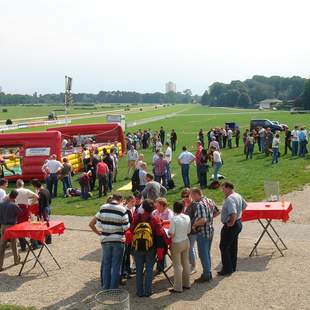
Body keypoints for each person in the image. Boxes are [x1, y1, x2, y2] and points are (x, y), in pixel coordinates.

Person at [89, 193, 129, 289]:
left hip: (105, 239)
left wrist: (99, 233)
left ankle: (105, 287)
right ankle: (113, 288)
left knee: (106, 264)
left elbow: (97, 223)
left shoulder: (103, 207)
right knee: (116, 265)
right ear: (121, 199)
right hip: (118, 240)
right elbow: (126, 227)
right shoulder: (122, 209)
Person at [130, 199, 164, 297]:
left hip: (137, 247)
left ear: (143, 208)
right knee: (149, 270)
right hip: (150, 248)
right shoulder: (155, 219)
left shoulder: (137, 217)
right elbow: (160, 233)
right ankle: (148, 291)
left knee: (139, 270)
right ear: (153, 208)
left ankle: (139, 291)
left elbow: (131, 230)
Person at [191, 188, 220, 283]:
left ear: (196, 194)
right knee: (207, 252)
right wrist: (210, 219)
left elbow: (202, 220)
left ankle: (206, 274)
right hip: (210, 230)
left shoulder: (199, 204)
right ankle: (208, 272)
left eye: (192, 195)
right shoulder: (209, 200)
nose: (191, 197)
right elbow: (217, 212)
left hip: (202, 232)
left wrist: (194, 225)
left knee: (203, 254)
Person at [219, 182, 247, 276]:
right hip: (238, 223)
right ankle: (232, 266)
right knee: (233, 245)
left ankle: (227, 269)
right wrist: (238, 216)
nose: (222, 191)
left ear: (228, 188)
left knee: (224, 246)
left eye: (223, 189)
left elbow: (233, 212)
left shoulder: (230, 199)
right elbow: (245, 205)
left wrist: (231, 222)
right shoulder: (237, 195)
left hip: (232, 224)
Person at [168, 201, 191, 293]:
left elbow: (171, 233)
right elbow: (188, 231)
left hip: (177, 243)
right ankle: (187, 283)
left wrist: (169, 232)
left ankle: (178, 287)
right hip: (185, 241)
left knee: (177, 265)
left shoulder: (174, 219)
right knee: (185, 262)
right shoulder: (187, 217)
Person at [0, 190, 21, 271]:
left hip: (3, 226)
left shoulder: (1, 204)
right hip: (12, 226)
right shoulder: (14, 205)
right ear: (15, 197)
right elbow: (20, 213)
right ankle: (16, 260)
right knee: (14, 244)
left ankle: (0, 265)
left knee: (2, 245)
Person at [16, 179, 39, 251]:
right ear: (23, 184)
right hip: (26, 209)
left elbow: (7, 198)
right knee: (30, 226)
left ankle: (23, 246)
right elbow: (37, 196)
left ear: (17, 184)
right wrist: (31, 204)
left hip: (17, 210)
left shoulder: (14, 191)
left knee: (19, 228)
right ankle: (34, 244)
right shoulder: (26, 190)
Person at [181, 188, 197, 274]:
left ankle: (193, 266)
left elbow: (196, 217)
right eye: (183, 196)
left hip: (192, 230)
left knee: (190, 248)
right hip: (184, 230)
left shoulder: (194, 205)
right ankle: (190, 263)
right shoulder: (182, 204)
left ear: (191, 195)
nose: (185, 198)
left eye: (187, 196)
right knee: (189, 248)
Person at [32, 179, 52, 244]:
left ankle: (45, 239)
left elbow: (41, 204)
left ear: (35, 186)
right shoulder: (46, 190)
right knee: (47, 223)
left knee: (44, 224)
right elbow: (50, 200)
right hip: (48, 207)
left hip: (44, 209)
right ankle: (48, 239)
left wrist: (39, 213)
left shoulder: (40, 193)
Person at [122, 195, 136, 279]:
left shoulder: (133, 209)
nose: (134, 203)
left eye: (134, 201)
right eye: (132, 202)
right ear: (128, 201)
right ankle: (124, 271)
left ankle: (128, 269)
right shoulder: (125, 210)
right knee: (125, 254)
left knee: (130, 252)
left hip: (132, 234)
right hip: (126, 234)